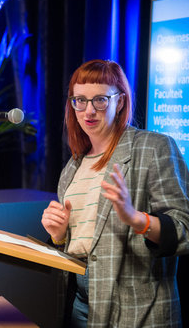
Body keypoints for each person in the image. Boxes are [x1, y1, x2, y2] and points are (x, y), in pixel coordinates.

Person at [41, 59, 189, 327]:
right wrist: (59, 236)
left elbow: (185, 230)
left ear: (119, 102)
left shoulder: (154, 148)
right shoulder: (72, 166)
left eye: (100, 100)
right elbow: (78, 243)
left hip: (137, 309)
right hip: (80, 302)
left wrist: (136, 219)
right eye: (79, 100)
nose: (89, 111)